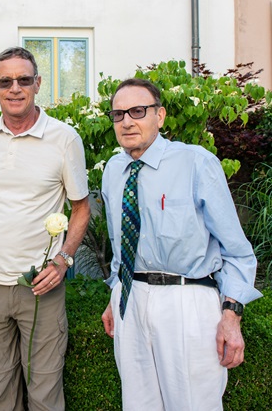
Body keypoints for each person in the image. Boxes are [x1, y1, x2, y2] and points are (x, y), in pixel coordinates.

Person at [100, 78, 262, 410]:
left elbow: (237, 251)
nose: (127, 121)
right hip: (130, 299)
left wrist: (231, 318)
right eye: (118, 114)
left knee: (193, 404)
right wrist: (115, 293)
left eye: (137, 111)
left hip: (187, 300)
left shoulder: (195, 163)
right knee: (137, 404)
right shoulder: (114, 170)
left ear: (159, 116)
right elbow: (119, 244)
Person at [0, 46, 91, 410]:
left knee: (44, 393)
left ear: (37, 84)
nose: (14, 88)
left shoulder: (64, 138)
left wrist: (63, 259)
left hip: (40, 283)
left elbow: (81, 208)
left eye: (23, 80)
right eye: (6, 81)